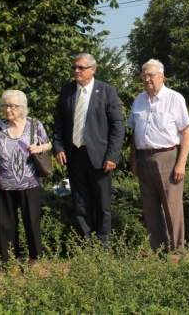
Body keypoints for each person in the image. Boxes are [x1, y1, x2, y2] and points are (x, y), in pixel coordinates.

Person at [53, 53, 125, 247]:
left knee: (102, 204)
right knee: (80, 201)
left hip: (101, 158)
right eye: (74, 67)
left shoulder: (107, 91)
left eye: (81, 68)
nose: (76, 71)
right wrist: (58, 147)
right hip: (74, 155)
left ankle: (103, 245)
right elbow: (58, 122)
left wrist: (112, 155)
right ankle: (87, 243)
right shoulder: (67, 90)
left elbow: (118, 125)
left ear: (92, 69)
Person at [128, 59, 189, 252]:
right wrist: (133, 160)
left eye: (151, 75)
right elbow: (134, 133)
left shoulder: (175, 98)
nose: (147, 79)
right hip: (144, 159)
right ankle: (158, 251)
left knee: (172, 209)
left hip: (168, 158)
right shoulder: (139, 100)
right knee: (150, 210)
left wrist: (181, 163)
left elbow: (187, 133)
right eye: (144, 76)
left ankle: (178, 252)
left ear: (162, 76)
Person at [0, 90, 51, 265]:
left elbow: (49, 144)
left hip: (30, 182)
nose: (8, 109)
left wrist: (39, 148)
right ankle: (11, 261)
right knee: (7, 225)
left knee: (32, 222)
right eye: (5, 105)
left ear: (22, 107)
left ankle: (35, 259)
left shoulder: (34, 125)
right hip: (4, 183)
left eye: (12, 106)